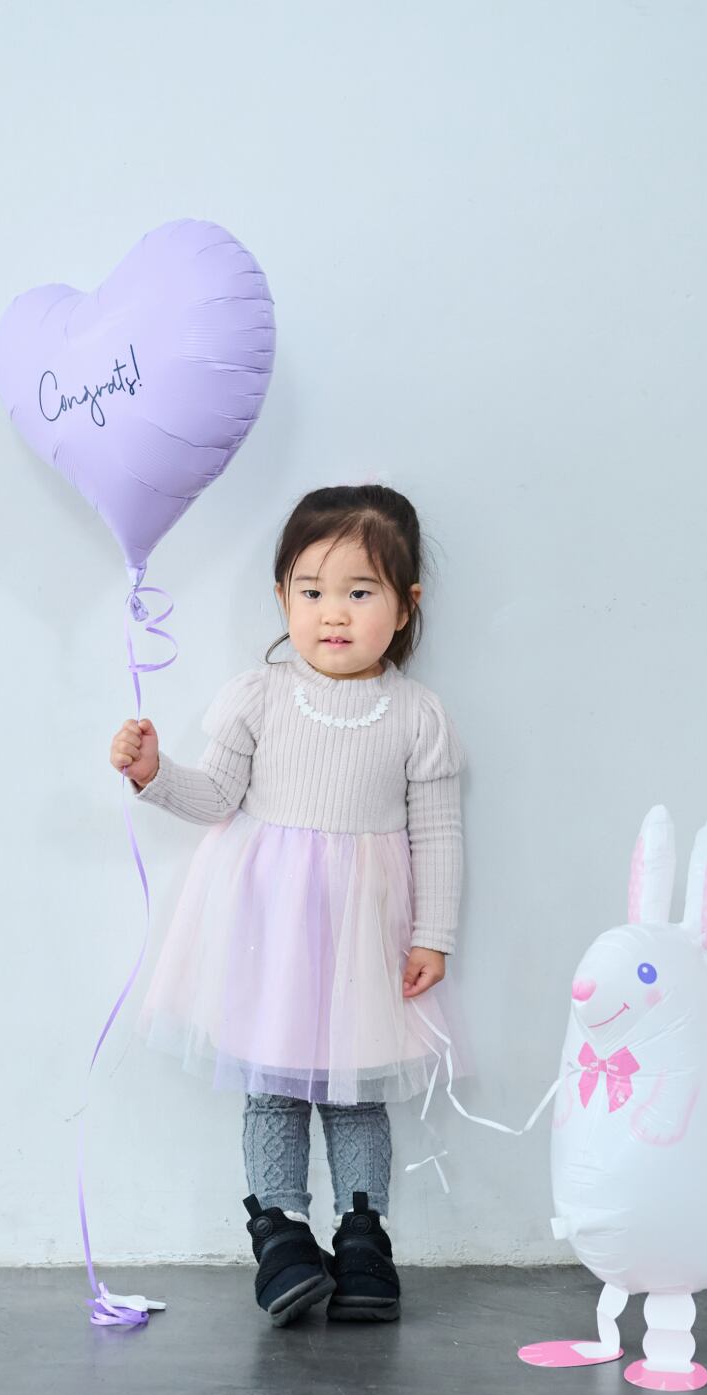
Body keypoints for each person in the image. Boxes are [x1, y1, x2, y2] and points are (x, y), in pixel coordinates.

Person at [108, 485, 464, 1327]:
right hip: (267, 930)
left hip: (363, 937)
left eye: (360, 591)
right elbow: (217, 796)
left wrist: (434, 934)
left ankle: (363, 1237)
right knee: (272, 1085)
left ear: (407, 605)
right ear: (282, 598)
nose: (332, 612)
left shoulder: (417, 715)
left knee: (357, 1091)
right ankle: (281, 1232)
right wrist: (154, 775)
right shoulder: (259, 695)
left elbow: (438, 832)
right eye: (312, 591)